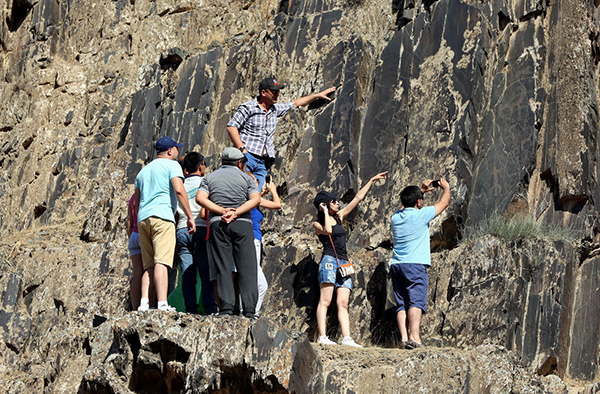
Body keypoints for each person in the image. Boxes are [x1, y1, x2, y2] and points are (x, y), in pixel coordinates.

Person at [312, 172, 388, 347]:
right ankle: (322, 336)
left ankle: (347, 338)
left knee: (343, 302)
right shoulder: (317, 224)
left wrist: (371, 180)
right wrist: (324, 212)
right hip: (329, 261)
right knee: (326, 300)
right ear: (324, 204)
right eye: (333, 201)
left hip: (343, 262)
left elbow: (358, 199)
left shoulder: (340, 217)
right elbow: (329, 231)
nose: (338, 203)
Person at [227, 78, 336, 189]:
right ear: (263, 92)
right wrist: (243, 150)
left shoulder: (274, 109)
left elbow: (295, 103)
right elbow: (231, 127)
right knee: (240, 189)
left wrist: (317, 95)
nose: (277, 94)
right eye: (274, 92)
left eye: (278, 91)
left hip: (262, 162)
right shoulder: (248, 108)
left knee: (257, 194)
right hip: (247, 157)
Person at [196, 147, 260, 318]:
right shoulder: (246, 178)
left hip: (218, 223)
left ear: (222, 162)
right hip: (242, 224)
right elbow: (256, 199)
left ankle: (226, 309)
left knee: (223, 267)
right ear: (239, 162)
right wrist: (236, 212)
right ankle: (249, 311)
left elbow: (200, 198)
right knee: (247, 267)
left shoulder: (209, 177)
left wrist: (221, 210)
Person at [134, 136, 196, 312]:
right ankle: (162, 303)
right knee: (162, 261)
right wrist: (190, 216)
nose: (178, 151)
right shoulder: (172, 165)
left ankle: (144, 303)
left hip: (143, 219)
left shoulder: (142, 172)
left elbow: (136, 203)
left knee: (149, 265)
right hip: (162, 217)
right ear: (170, 151)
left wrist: (140, 218)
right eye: (177, 148)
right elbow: (179, 189)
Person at [390, 178, 451, 349]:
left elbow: (405, 205)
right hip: (415, 265)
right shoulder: (421, 215)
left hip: (396, 264)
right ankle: (415, 337)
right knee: (416, 301)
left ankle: (403, 339)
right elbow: (444, 202)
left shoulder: (396, 217)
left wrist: (420, 191)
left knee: (401, 303)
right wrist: (445, 187)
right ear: (418, 202)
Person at [175, 152, 218, 315]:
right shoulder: (205, 183)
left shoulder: (179, 185)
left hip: (181, 229)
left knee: (187, 274)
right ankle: (210, 308)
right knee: (206, 272)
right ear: (201, 166)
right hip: (201, 229)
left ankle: (190, 309)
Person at [246, 174, 281, 318]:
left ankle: (248, 312)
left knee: (248, 279)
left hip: (251, 240)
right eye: (255, 181)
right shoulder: (254, 199)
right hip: (253, 240)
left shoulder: (250, 198)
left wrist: (260, 194)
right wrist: (273, 190)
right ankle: (252, 314)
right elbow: (277, 205)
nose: (258, 183)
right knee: (261, 285)